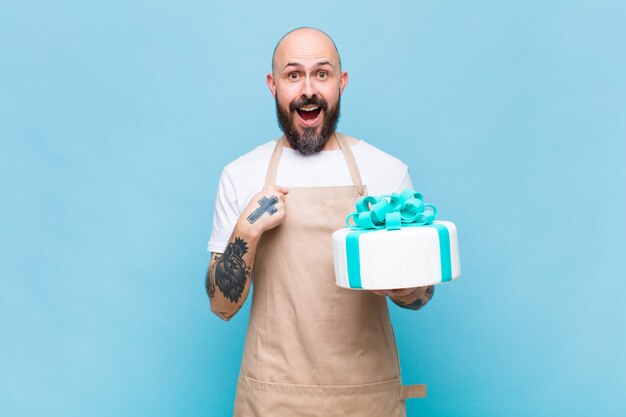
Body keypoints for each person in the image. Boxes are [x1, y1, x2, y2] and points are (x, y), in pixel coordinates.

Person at [206, 27, 434, 417]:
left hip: (365, 397)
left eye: (322, 74)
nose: (308, 90)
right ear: (273, 85)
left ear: (341, 83)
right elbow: (220, 306)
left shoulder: (386, 173)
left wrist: (403, 287)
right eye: (293, 75)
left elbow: (422, 296)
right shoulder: (241, 175)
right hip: (273, 398)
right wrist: (247, 229)